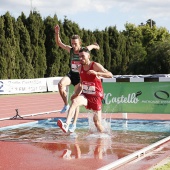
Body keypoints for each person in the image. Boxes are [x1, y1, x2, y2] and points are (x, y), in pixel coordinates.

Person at [55, 25, 100, 132]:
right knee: (61, 84)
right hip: (72, 75)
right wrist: (57, 33)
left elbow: (92, 46)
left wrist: (96, 47)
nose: (73, 45)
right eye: (72, 43)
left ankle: (73, 124)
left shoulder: (83, 50)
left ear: (79, 43)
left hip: (80, 78)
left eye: (75, 44)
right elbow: (59, 44)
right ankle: (66, 104)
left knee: (75, 101)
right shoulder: (70, 50)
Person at [57, 47, 113, 133]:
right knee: (75, 102)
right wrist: (76, 94)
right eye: (79, 57)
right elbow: (82, 84)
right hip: (86, 95)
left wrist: (97, 73)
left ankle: (104, 136)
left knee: (97, 123)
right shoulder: (80, 68)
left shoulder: (95, 65)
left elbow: (110, 75)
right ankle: (66, 124)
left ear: (88, 56)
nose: (80, 59)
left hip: (96, 96)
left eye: (83, 56)